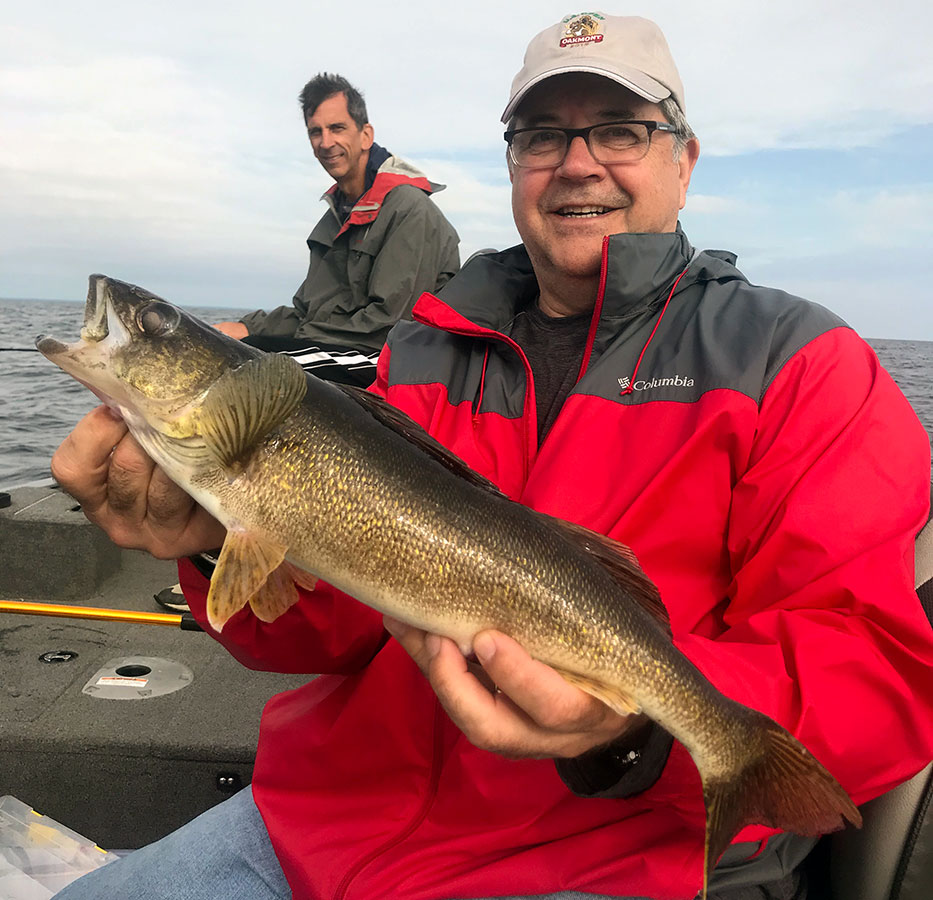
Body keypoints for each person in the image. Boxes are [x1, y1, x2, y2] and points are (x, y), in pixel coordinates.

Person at [51, 12, 933, 900]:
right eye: (542, 136)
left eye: (620, 130)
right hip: (330, 819)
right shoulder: (423, 351)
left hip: (608, 858)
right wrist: (209, 540)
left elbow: (879, 679)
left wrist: (632, 734)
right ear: (512, 166)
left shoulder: (803, 364)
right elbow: (337, 625)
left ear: (684, 160)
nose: (577, 161)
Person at [216, 72, 461, 386]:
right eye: (315, 132)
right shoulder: (334, 218)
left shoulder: (408, 208)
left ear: (365, 135)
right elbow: (308, 313)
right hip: (344, 350)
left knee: (246, 370)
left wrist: (282, 341)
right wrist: (246, 327)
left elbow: (387, 326)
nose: (326, 142)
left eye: (337, 128)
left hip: (397, 359)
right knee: (227, 347)